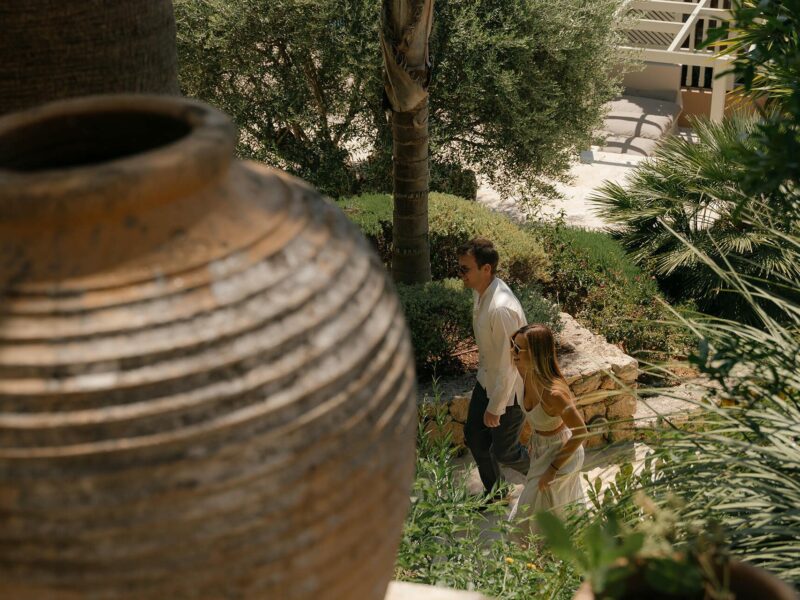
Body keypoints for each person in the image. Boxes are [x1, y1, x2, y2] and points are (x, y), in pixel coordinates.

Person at [457, 238, 530, 504]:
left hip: (508, 391)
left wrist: (495, 407)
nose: (460, 275)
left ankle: (547, 476)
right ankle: (496, 492)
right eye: (460, 269)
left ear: (486, 269)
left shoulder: (500, 309)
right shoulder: (481, 292)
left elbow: (508, 366)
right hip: (486, 380)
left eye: (465, 269)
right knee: (475, 438)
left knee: (506, 452)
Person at [507, 323, 588, 538]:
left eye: (518, 349)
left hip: (561, 454)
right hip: (541, 451)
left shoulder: (554, 394)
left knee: (538, 512)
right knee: (543, 512)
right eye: (512, 346)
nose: (512, 352)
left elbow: (581, 431)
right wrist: (528, 435)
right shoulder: (524, 376)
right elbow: (531, 416)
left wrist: (552, 468)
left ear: (535, 353)